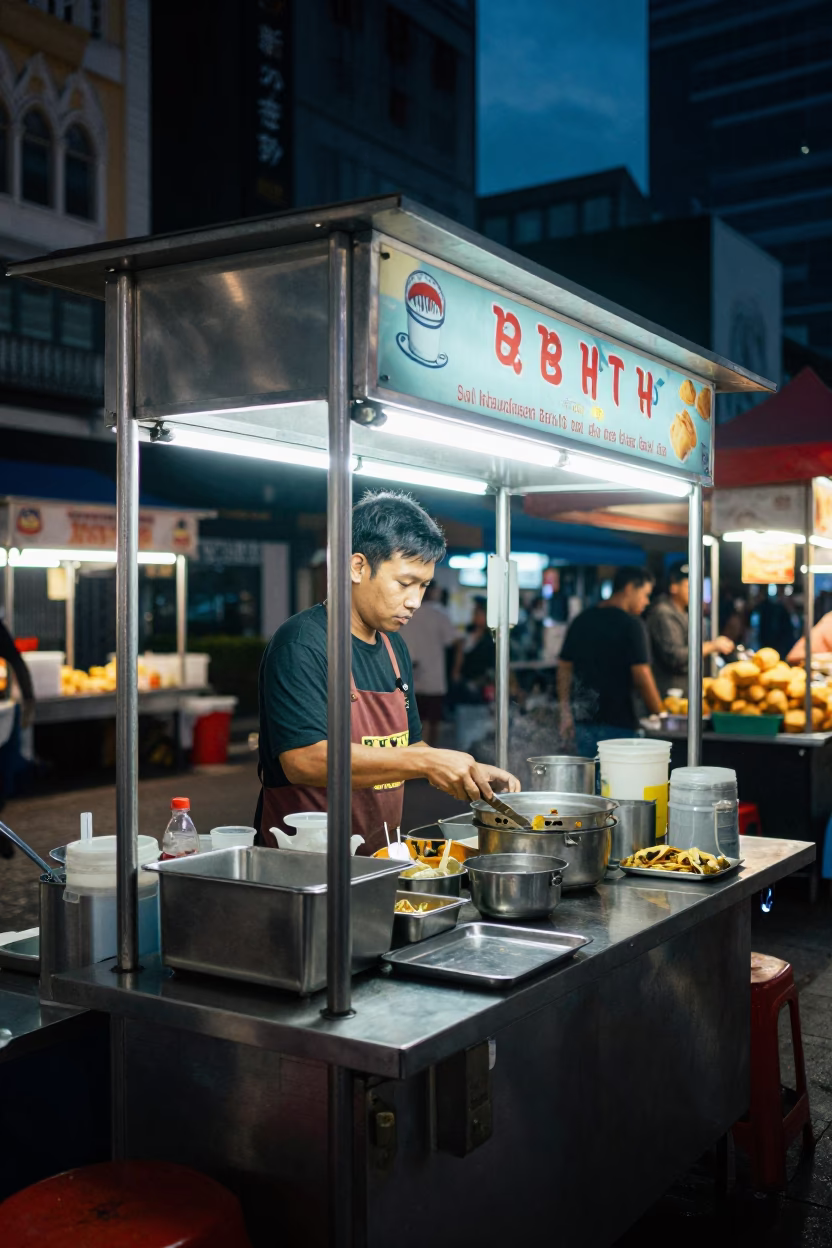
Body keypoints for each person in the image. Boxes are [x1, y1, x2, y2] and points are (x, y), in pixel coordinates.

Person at [256, 491, 520, 854]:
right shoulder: (302, 644)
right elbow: (303, 761)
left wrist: (463, 768)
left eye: (424, 585)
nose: (415, 601)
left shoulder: (394, 647)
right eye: (404, 583)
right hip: (306, 862)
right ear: (358, 567)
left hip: (379, 855)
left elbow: (407, 744)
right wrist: (426, 762)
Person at [557, 566, 663, 757]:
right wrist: (661, 713)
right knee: (617, 783)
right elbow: (642, 675)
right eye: (645, 594)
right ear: (630, 588)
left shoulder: (582, 619)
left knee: (589, 782)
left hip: (584, 722)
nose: (646, 602)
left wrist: (565, 711)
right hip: (619, 724)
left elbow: (564, 667)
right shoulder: (633, 625)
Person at [646, 564, 735, 698]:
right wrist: (712, 646)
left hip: (687, 688)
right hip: (672, 692)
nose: (695, 591)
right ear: (673, 587)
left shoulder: (687, 611)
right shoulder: (663, 613)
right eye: (689, 586)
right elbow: (676, 656)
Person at [401, 583, 461, 746]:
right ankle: (429, 755)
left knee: (407, 723)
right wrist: (455, 670)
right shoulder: (439, 614)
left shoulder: (402, 611)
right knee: (432, 722)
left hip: (406, 677)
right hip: (433, 679)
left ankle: (412, 759)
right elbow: (456, 642)